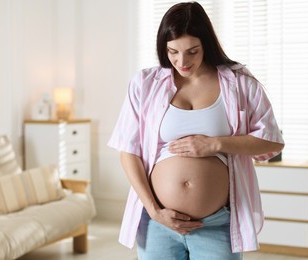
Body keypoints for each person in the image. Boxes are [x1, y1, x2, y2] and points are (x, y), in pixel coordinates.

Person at [108, 2, 284, 259]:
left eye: (192, 51)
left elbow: (271, 142)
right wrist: (155, 211)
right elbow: (128, 152)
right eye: (172, 52)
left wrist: (216, 144)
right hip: (159, 223)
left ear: (207, 44)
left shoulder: (240, 83)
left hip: (215, 225)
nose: (182, 61)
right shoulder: (145, 84)